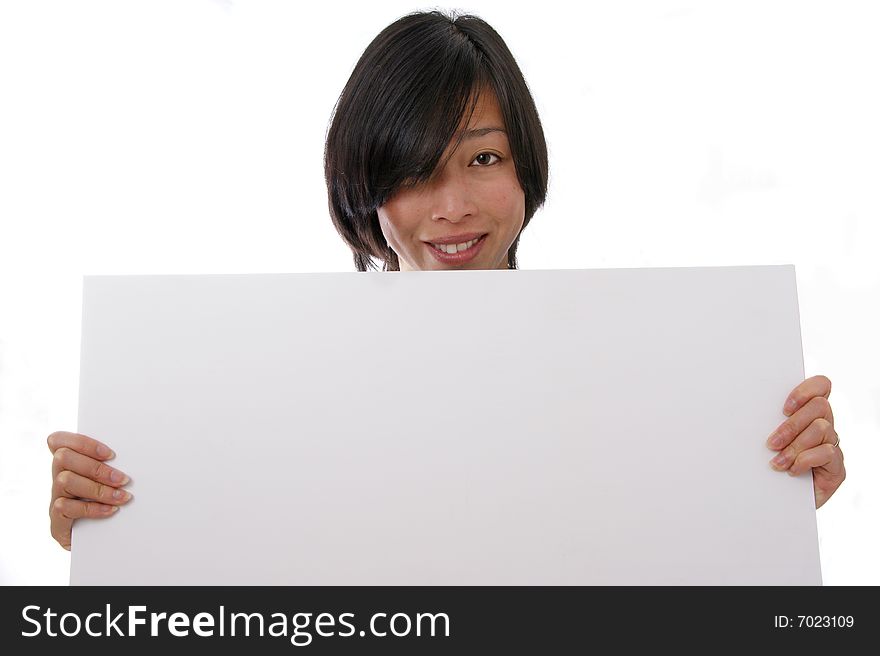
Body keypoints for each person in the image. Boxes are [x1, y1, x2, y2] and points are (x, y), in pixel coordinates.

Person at [46, 10, 846, 551]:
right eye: (414, 172)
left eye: (485, 158)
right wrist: (114, 531)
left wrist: (769, 510)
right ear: (361, 186)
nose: (454, 206)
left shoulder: (648, 380)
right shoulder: (260, 390)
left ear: (527, 169)